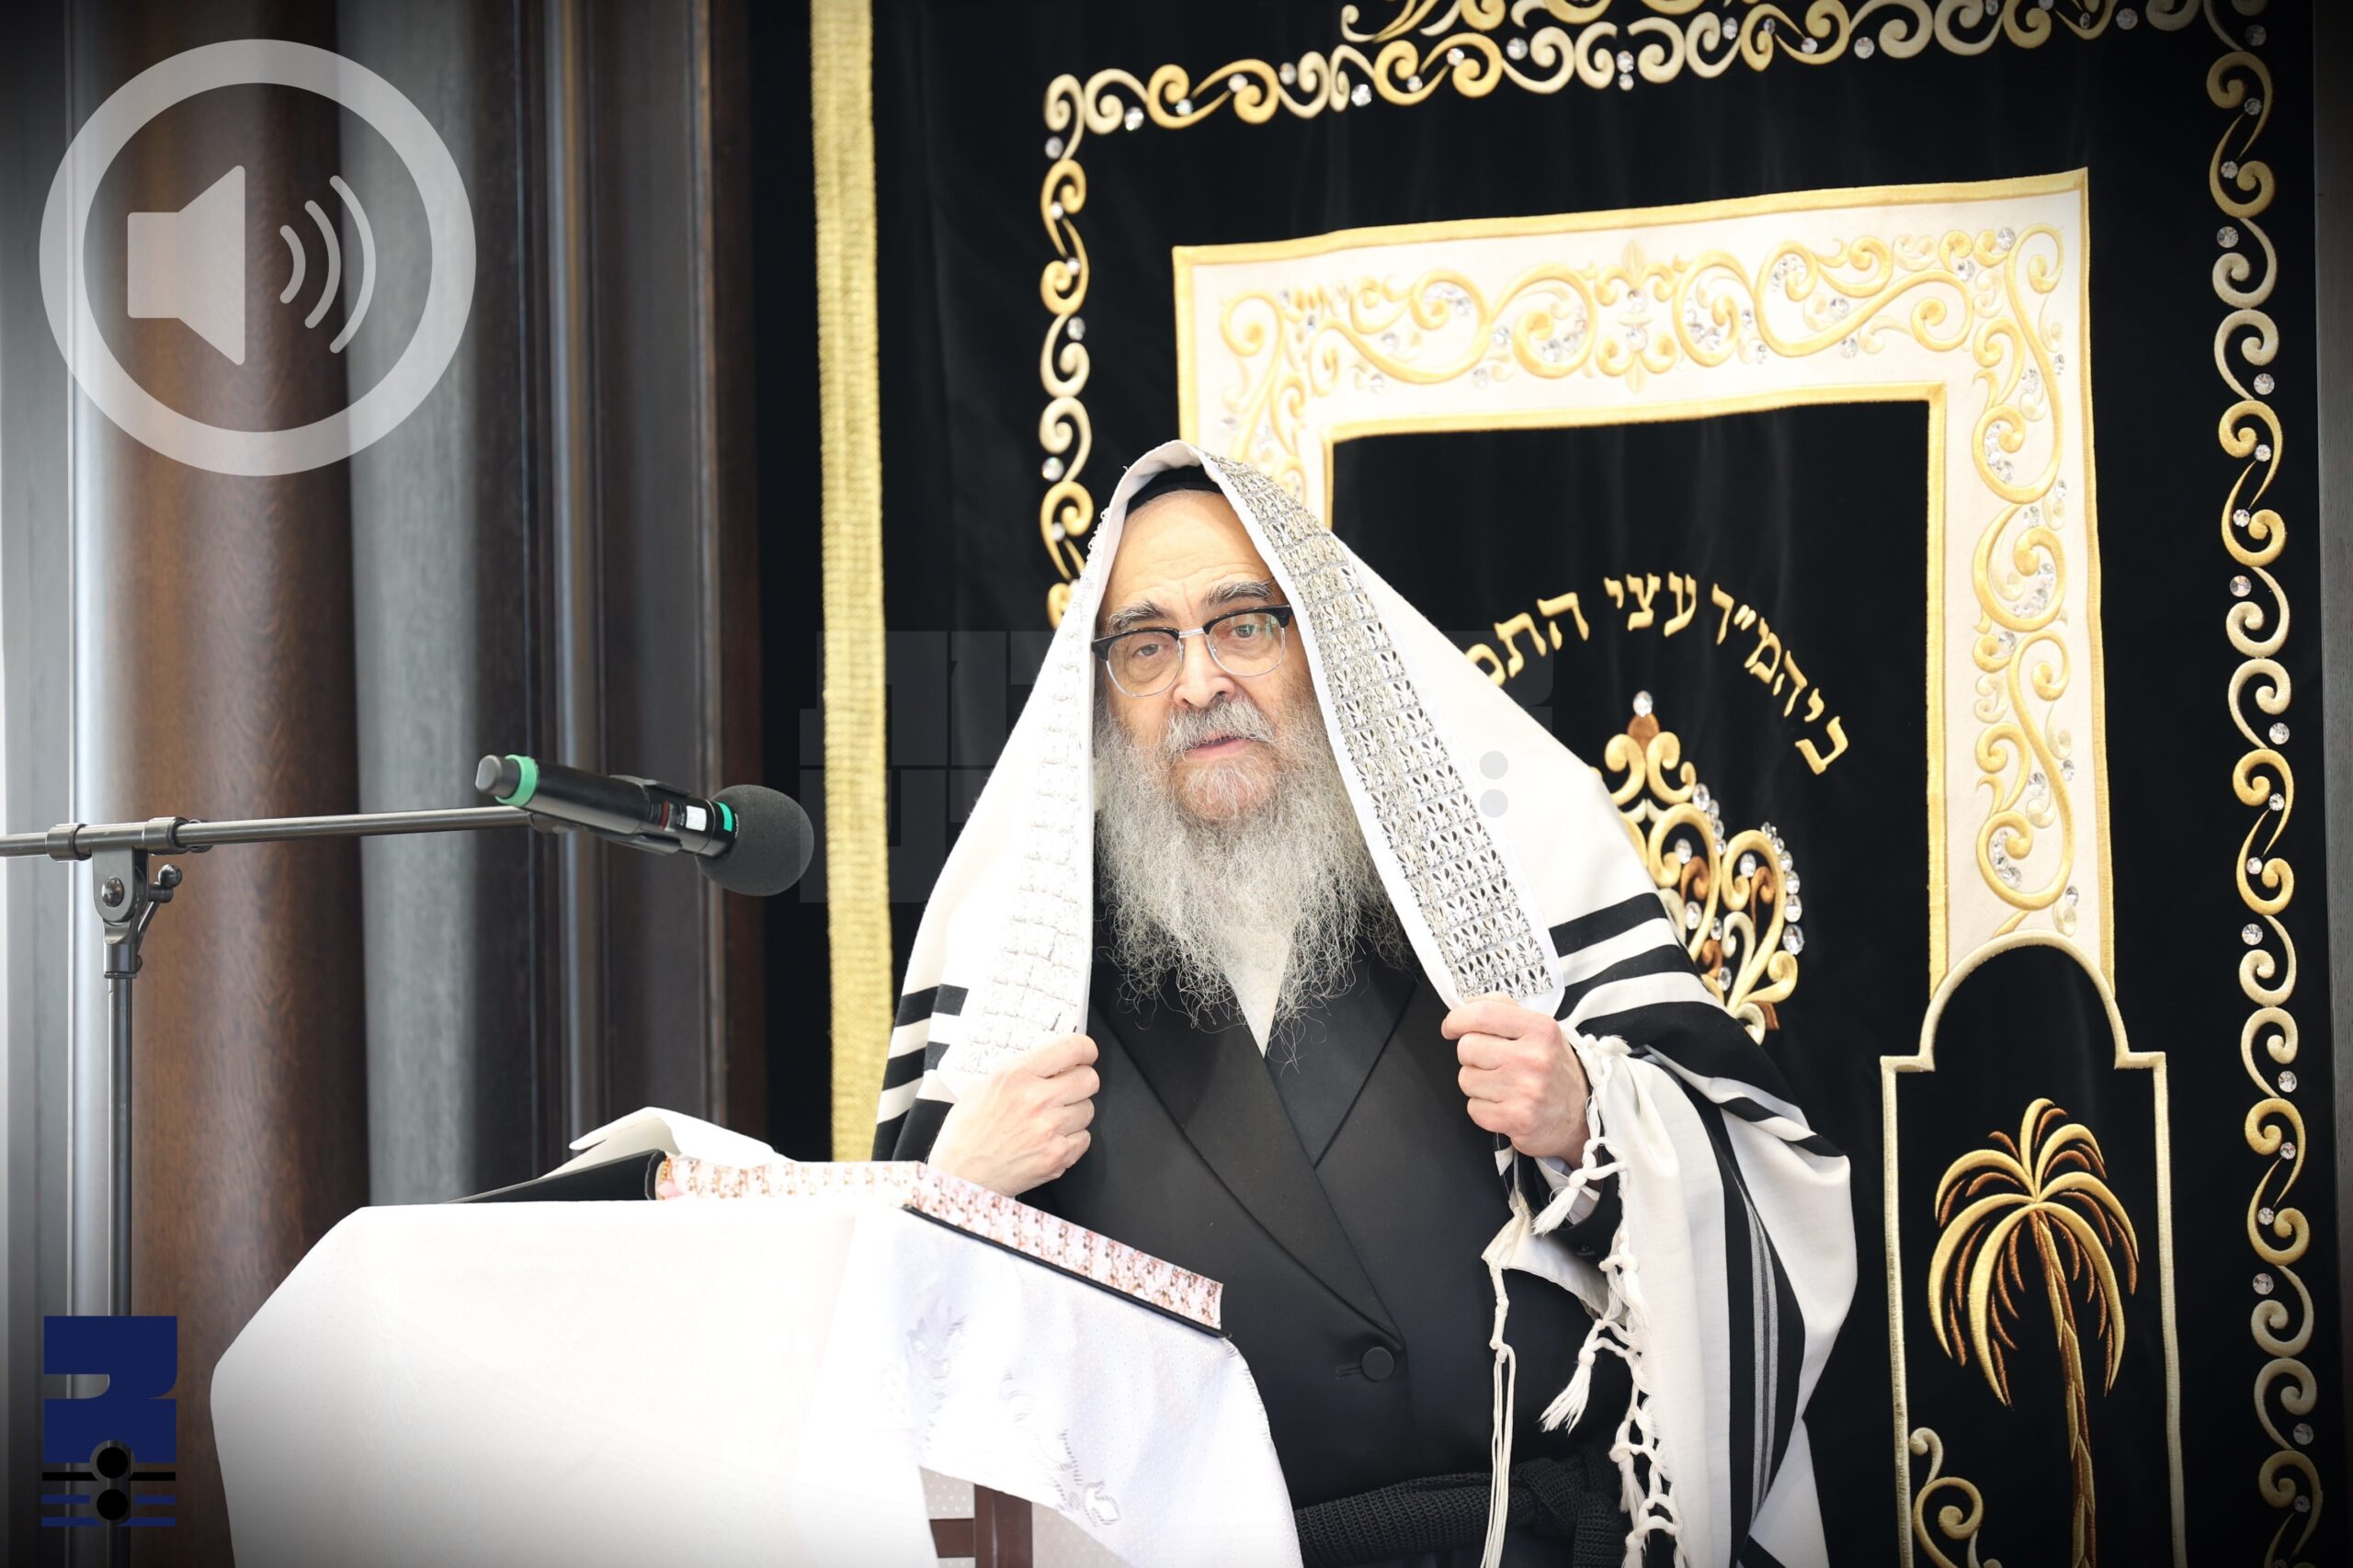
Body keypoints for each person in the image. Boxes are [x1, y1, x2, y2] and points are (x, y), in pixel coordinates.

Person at [873, 444, 1855, 1568]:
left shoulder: (1501, 892)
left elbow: (1772, 1212)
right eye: (1146, 646)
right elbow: (900, 1400)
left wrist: (1591, 1123)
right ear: (1101, 696)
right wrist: (953, 1192)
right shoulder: (1027, 974)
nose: (1198, 681)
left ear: (1324, 644)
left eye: (1243, 624)